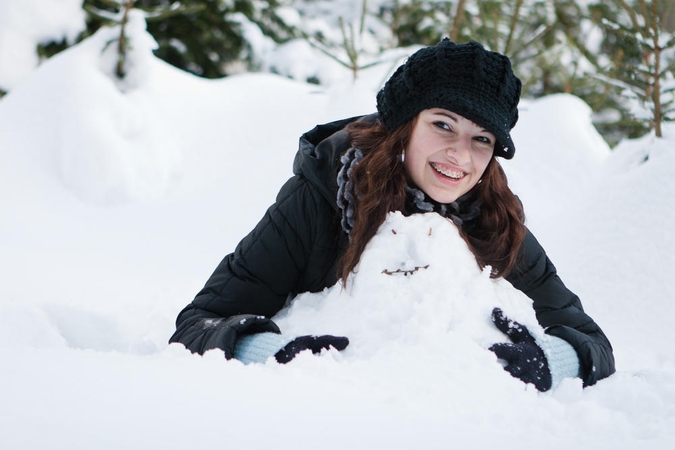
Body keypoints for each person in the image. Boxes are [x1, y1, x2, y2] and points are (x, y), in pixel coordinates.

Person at [169, 38, 615, 391]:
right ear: (404, 125)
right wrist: (278, 354)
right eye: (443, 124)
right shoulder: (322, 197)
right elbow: (198, 325)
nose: (460, 155)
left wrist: (550, 360)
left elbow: (593, 343)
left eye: (482, 139)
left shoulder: (492, 219)